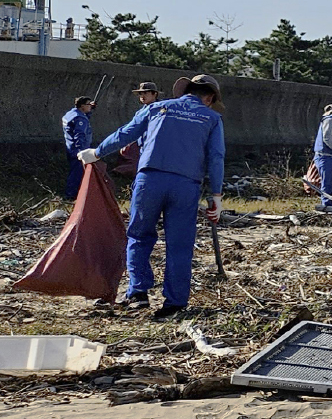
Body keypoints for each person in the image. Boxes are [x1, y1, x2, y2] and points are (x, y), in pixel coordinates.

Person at [80, 74, 225, 318]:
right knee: (180, 244)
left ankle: (138, 292)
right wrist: (216, 196)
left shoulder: (157, 108)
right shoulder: (212, 118)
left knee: (139, 235)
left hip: (150, 180)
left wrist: (97, 152)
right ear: (209, 98)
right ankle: (174, 303)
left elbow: (125, 133)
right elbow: (216, 158)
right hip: (186, 185)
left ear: (185, 91)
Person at [63, 96, 95, 201]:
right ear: (82, 106)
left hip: (70, 148)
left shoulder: (70, 114)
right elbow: (79, 134)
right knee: (77, 174)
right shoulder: (80, 119)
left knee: (74, 171)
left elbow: (79, 121)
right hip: (78, 151)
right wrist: (81, 151)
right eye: (88, 104)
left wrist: (89, 111)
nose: (90, 106)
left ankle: (72, 194)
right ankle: (71, 196)